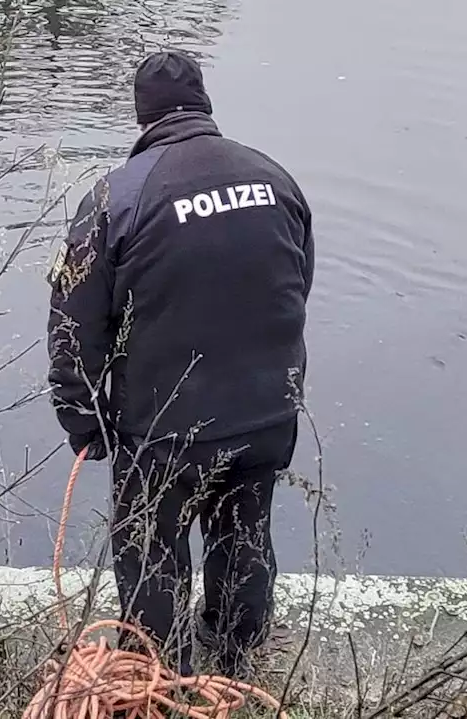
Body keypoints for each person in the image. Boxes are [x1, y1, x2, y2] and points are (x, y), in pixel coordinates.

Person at [46, 50, 314, 678]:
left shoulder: (119, 195)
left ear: (141, 115)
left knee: (151, 552)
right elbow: (297, 284)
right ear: (205, 103)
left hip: (166, 428)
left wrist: (82, 418)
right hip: (266, 413)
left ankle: (157, 680)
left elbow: (72, 324)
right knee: (244, 535)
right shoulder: (276, 180)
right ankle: (239, 670)